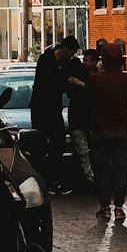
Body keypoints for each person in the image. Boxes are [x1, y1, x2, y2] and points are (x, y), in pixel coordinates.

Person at [89, 45, 127, 222]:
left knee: (102, 169)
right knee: (120, 168)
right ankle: (119, 207)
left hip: (100, 128)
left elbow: (89, 97)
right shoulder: (126, 79)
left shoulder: (95, 79)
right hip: (120, 128)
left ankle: (104, 207)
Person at [30, 34, 79, 194]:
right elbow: (49, 84)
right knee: (41, 146)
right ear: (65, 49)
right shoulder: (45, 60)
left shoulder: (65, 63)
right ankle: (43, 180)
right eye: (72, 53)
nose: (72, 56)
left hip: (55, 109)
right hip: (41, 110)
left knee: (57, 144)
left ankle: (54, 179)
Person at [65, 47, 98, 188]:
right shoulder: (78, 73)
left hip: (93, 119)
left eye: (87, 60)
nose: (84, 62)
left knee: (96, 150)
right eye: (83, 60)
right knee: (83, 151)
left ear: (95, 62)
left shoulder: (98, 77)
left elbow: (97, 92)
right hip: (79, 119)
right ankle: (90, 180)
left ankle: (96, 178)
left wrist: (81, 84)